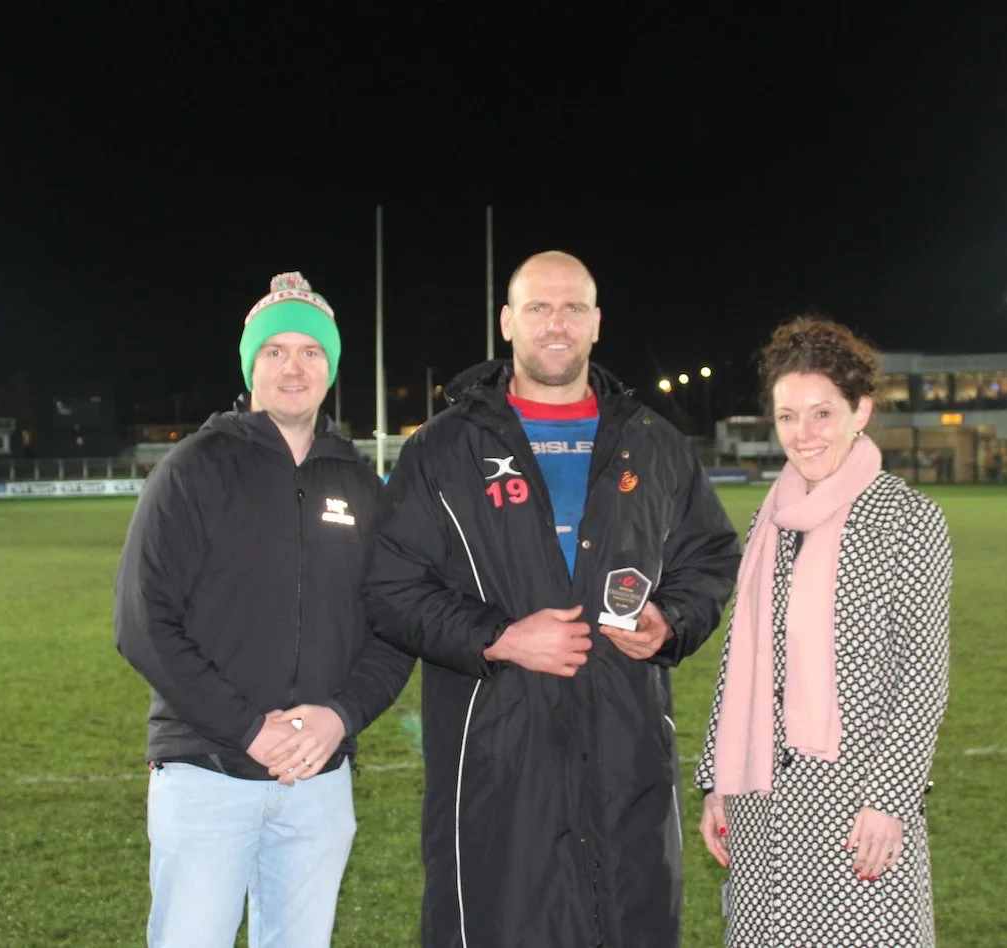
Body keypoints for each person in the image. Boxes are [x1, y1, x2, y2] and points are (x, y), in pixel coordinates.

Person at [363, 251, 741, 947]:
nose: (556, 324)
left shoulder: (653, 444)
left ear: (597, 323)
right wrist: (498, 636)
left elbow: (712, 557)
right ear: (507, 322)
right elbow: (389, 588)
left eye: (572, 308)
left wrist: (671, 621)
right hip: (497, 770)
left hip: (628, 766)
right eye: (538, 308)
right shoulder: (444, 449)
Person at [114, 272, 415, 948]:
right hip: (208, 773)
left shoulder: (362, 486)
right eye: (274, 350)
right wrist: (248, 728)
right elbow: (142, 621)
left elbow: (396, 625)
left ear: (331, 368)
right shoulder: (193, 469)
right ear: (251, 364)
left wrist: (339, 718)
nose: (292, 367)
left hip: (319, 779)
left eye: (310, 351)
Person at [696, 316, 953, 947]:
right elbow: (741, 660)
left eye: (821, 413)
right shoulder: (771, 517)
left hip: (855, 808)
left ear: (859, 411)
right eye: (788, 417)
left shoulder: (907, 520)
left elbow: (921, 675)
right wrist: (718, 784)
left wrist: (890, 800)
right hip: (761, 804)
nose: (803, 434)